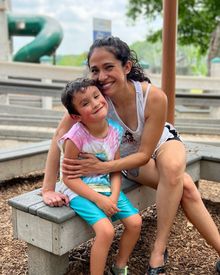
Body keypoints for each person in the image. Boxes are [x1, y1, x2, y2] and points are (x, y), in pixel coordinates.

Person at [42, 36, 220, 275]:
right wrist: (47, 189)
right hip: (127, 159)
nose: (102, 76)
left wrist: (103, 167)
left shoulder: (152, 97)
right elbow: (59, 138)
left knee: (173, 167)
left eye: (109, 67)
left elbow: (146, 153)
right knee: (185, 185)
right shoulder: (93, 99)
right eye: (95, 70)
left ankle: (159, 249)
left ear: (126, 67)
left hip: (159, 144)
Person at [56, 77, 142, 275]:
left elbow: (115, 169)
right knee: (106, 231)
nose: (95, 103)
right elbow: (69, 178)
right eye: (85, 103)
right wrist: (100, 201)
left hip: (105, 185)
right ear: (76, 116)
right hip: (78, 190)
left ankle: (119, 267)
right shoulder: (75, 138)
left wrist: (112, 197)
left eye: (96, 96)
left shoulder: (116, 130)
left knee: (135, 222)